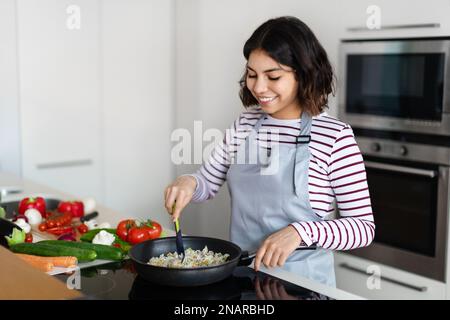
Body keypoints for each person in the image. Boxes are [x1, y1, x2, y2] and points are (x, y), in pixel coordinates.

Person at [164, 16, 375, 287]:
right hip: (242, 277)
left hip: (303, 285)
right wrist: (189, 182)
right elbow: (208, 182)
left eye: (273, 76)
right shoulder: (246, 122)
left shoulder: (335, 137)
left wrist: (300, 231)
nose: (258, 87)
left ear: (304, 73)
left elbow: (362, 228)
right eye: (252, 75)